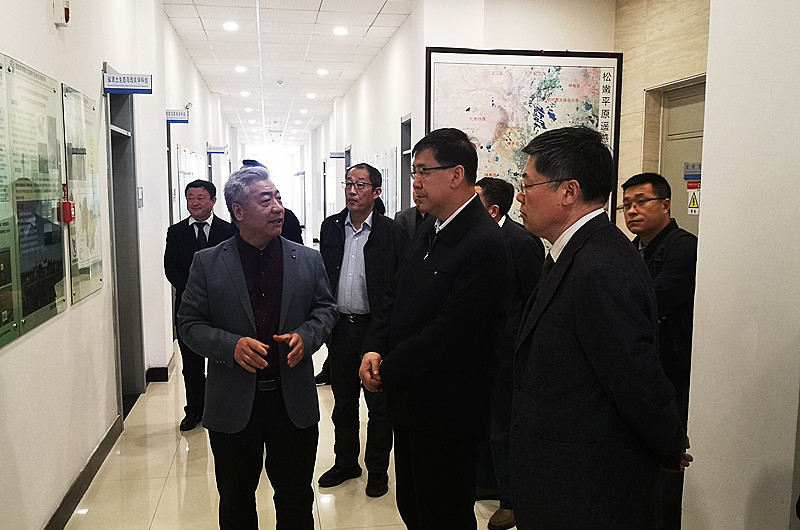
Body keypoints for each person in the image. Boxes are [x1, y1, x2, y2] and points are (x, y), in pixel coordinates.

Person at [511, 126, 691, 529]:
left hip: (588, 488)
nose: (520, 196)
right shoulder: (575, 253)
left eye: (527, 185)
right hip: (561, 474)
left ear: (568, 192)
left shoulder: (601, 266)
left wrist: (669, 442)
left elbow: (635, 375)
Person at [360, 128, 513, 529]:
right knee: (413, 507)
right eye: (415, 172)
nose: (416, 182)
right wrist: (373, 348)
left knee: (443, 514)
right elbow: (394, 293)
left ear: (457, 174)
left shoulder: (485, 243)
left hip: (449, 412)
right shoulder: (430, 227)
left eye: (424, 171)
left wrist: (387, 369)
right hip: (410, 401)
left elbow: (451, 332)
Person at [177, 165, 338, 529]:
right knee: (236, 502)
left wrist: (307, 336)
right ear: (238, 211)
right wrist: (230, 345)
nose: (278, 207)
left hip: (291, 402)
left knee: (296, 500)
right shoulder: (208, 263)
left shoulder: (307, 259)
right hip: (233, 404)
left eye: (278, 198)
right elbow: (189, 324)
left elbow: (326, 309)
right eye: (266, 200)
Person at [317, 163, 406, 498]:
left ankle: (378, 470)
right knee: (343, 403)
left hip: (375, 331)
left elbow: (398, 286)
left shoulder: (391, 232)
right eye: (348, 184)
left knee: (379, 406)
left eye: (361, 185)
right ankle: (346, 462)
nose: (352, 191)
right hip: (340, 328)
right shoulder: (330, 227)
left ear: (377, 192)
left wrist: (388, 335)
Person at [621, 172, 698, 529]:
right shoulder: (629, 248)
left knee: (668, 469)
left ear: (665, 204)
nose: (632, 211)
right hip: (639, 369)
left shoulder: (683, 246)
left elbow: (655, 300)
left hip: (672, 370)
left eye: (641, 202)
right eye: (626, 205)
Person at [475, 177, 544, 530]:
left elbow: (532, 301)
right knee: (486, 425)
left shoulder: (521, 242)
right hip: (484, 353)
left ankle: (513, 501)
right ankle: (489, 482)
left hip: (509, 355)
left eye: (475, 201)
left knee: (505, 430)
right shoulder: (479, 239)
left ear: (493, 210)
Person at [164, 179, 236, 431]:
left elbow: (234, 266)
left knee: (224, 360)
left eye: (200, 198)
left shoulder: (228, 230)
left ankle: (224, 407)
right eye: (190, 198)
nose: (194, 203)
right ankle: (195, 409)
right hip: (189, 307)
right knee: (192, 364)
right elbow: (171, 268)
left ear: (213, 201)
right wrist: (194, 292)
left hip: (222, 306)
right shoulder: (176, 232)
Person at [241, 159, 304, 244]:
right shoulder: (239, 220)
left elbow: (297, 249)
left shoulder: (287, 218)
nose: (277, 209)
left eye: (278, 198)